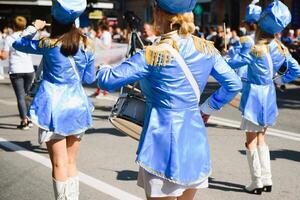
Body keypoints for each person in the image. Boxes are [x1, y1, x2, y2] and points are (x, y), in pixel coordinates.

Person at [97, 0, 242, 199]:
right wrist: (207, 108)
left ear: (159, 14)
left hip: (161, 141)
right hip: (194, 139)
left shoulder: (153, 53)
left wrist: (105, 64)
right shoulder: (206, 49)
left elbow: (107, 81)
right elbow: (234, 83)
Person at [12, 0, 95, 199]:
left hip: (53, 109)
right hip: (77, 107)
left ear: (54, 20)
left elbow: (17, 42)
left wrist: (34, 27)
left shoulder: (48, 44)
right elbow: (89, 79)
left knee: (59, 163)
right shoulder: (87, 44)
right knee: (71, 162)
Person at [230, 0, 300, 194]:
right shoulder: (278, 47)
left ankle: (256, 182)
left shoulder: (252, 48)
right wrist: (278, 80)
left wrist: (228, 55)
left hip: (253, 96)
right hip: (269, 95)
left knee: (251, 141)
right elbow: (295, 68)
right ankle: (267, 179)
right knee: (262, 138)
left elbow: (233, 63)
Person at [0, 16, 35, 130]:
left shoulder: (9, 38)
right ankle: (29, 119)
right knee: (27, 96)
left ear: (13, 26)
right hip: (29, 69)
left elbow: (4, 56)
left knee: (20, 96)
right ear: (24, 26)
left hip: (16, 69)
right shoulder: (28, 36)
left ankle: (24, 121)